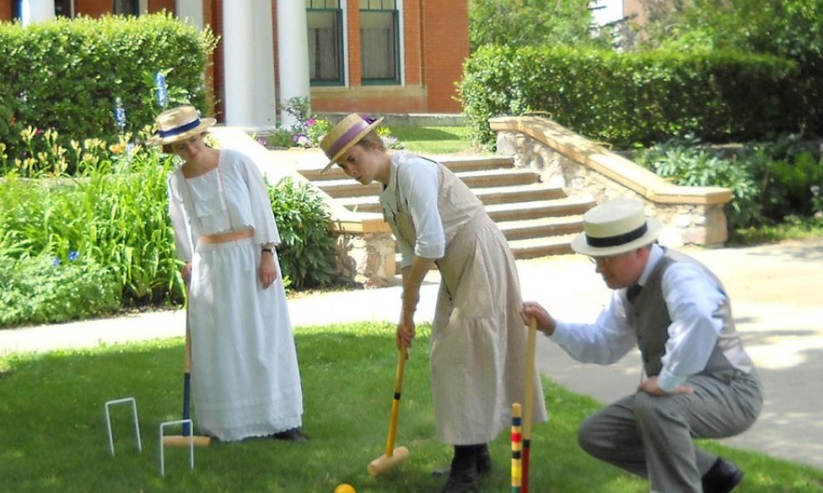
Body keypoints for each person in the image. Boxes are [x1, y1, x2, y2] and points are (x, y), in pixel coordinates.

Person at [320, 113, 547, 493]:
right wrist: (405, 316)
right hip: (454, 267)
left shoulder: (414, 172)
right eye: (343, 164)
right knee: (451, 352)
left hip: (478, 256)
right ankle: (476, 455)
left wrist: (412, 292)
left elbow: (431, 243)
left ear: (374, 146)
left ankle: (467, 469)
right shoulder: (387, 194)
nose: (349, 170)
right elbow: (411, 257)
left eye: (353, 158)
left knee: (463, 357)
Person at [521, 199, 762, 493]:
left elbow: (699, 320)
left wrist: (667, 380)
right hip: (679, 395)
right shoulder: (628, 290)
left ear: (640, 249)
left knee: (655, 406)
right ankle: (710, 473)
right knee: (598, 434)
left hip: (733, 392)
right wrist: (552, 327)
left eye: (606, 258)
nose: (599, 268)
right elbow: (604, 344)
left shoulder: (680, 275)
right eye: (595, 258)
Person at [147, 105, 307, 443]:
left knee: (263, 337)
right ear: (172, 150)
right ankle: (227, 423)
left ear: (202, 134)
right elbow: (183, 225)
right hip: (211, 265)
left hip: (250, 257)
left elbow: (261, 207)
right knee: (221, 343)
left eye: (193, 140)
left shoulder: (237, 162)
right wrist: (188, 263)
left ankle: (281, 421)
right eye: (181, 146)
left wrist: (267, 252)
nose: (190, 149)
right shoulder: (177, 180)